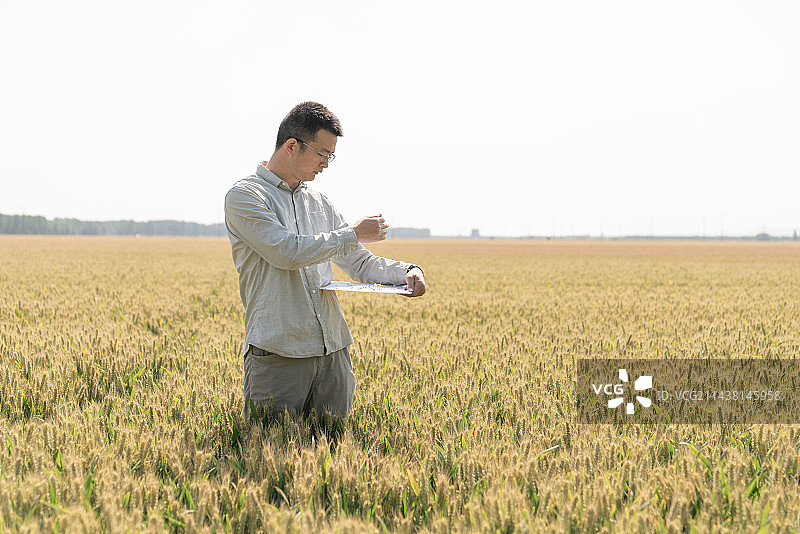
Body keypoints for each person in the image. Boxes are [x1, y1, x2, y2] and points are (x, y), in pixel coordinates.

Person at [224, 101, 426, 426]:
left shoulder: (319, 203)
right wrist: (353, 233)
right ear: (292, 146)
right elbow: (286, 252)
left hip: (333, 351)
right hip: (280, 355)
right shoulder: (246, 196)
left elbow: (359, 263)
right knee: (274, 460)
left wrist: (406, 273)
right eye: (322, 154)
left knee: (334, 455)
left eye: (330, 156)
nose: (326, 164)